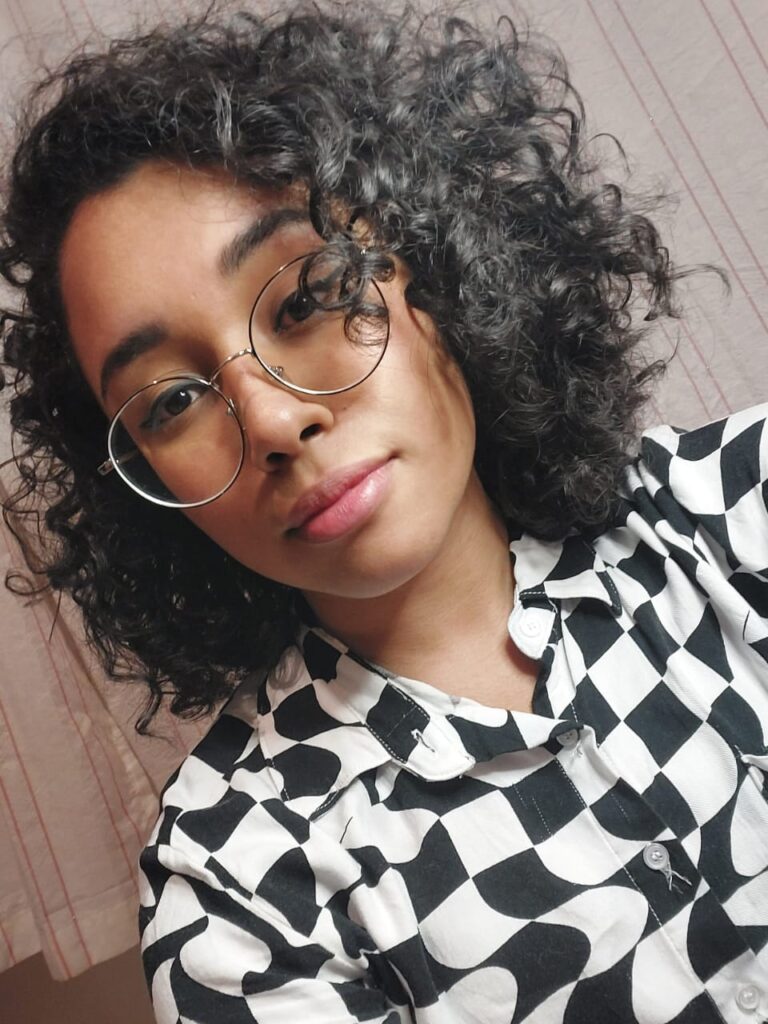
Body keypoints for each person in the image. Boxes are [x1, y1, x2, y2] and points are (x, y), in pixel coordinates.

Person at [1, 3, 766, 1022]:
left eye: (303, 301)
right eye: (172, 401)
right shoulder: (238, 891)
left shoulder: (739, 503)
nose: (273, 420)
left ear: (430, 268)